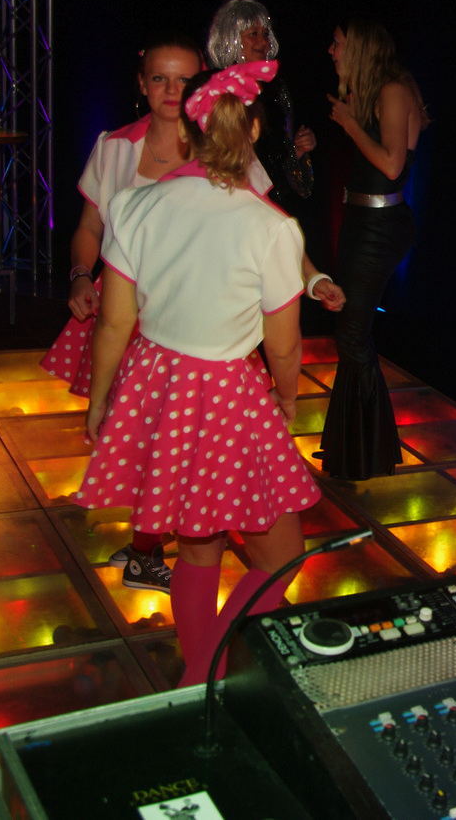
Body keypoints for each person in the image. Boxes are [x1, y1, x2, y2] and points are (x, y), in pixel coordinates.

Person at [75, 61, 320, 687]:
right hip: (227, 398)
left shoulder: (134, 205)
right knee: (280, 557)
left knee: (198, 548)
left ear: (189, 130)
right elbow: (284, 345)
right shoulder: (272, 227)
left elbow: (113, 323)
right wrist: (287, 398)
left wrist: (100, 401)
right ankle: (203, 680)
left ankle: (197, 680)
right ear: (254, 130)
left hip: (157, 388)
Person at [40, 32, 227, 593]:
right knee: (146, 438)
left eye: (185, 80)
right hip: (125, 312)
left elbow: (263, 221)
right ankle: (147, 548)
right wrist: (80, 274)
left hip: (192, 317)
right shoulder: (115, 147)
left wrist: (310, 278)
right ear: (142, 84)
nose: (172, 90)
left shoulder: (223, 146)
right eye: (160, 79)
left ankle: (148, 546)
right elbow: (89, 227)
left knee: (179, 441)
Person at [316, 17, 427, 481]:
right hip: (363, 220)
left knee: (351, 334)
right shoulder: (376, 92)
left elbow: (391, 165)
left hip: (380, 226)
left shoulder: (393, 90)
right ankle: (353, 447)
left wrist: (349, 124)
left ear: (360, 47)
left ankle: (368, 452)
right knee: (351, 332)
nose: (331, 50)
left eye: (338, 43)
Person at [206, 0, 345, 314]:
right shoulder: (215, 91)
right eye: (252, 33)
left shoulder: (275, 87)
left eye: (265, 33)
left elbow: (279, 160)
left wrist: (298, 150)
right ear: (231, 38)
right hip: (229, 212)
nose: (262, 41)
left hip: (273, 209)